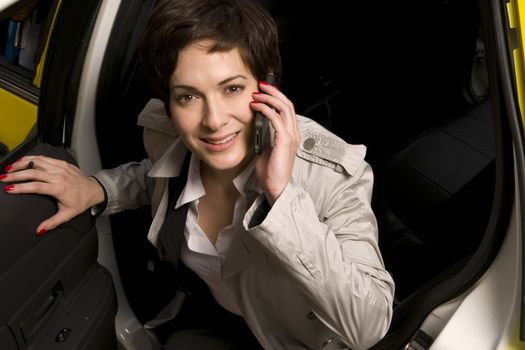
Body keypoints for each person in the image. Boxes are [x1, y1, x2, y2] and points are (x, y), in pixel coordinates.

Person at [1, 0, 395, 349]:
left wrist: (282, 197)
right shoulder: (165, 130)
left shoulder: (334, 173)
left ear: (268, 86)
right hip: (208, 317)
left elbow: (368, 326)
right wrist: (97, 189)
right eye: (188, 96)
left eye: (233, 88)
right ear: (169, 101)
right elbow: (156, 178)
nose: (214, 120)